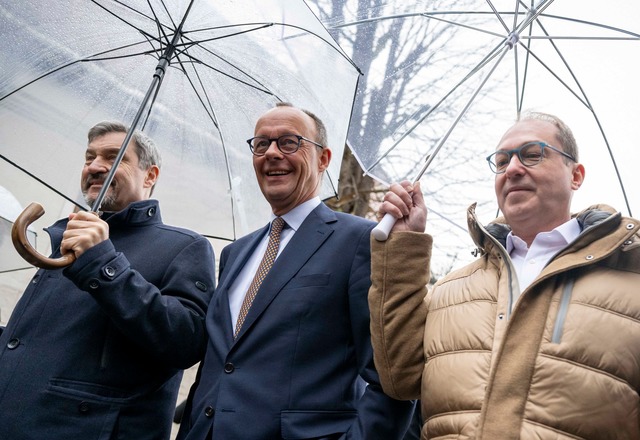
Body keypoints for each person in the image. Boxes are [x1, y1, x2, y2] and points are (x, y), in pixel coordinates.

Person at [369, 111, 640, 439]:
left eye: (532, 154)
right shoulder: (452, 288)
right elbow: (400, 381)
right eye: (501, 160)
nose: (512, 168)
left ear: (576, 175)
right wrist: (403, 246)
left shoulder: (632, 285)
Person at [176, 103, 415, 439]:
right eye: (261, 144)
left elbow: (390, 375)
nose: (272, 153)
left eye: (289, 142)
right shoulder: (235, 253)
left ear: (324, 159)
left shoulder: (361, 240)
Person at [0, 121, 216, 440]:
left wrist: (102, 261)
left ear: (151, 175)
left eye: (114, 157)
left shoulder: (185, 246)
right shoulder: (65, 235)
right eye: (89, 157)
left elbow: (184, 342)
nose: (96, 166)